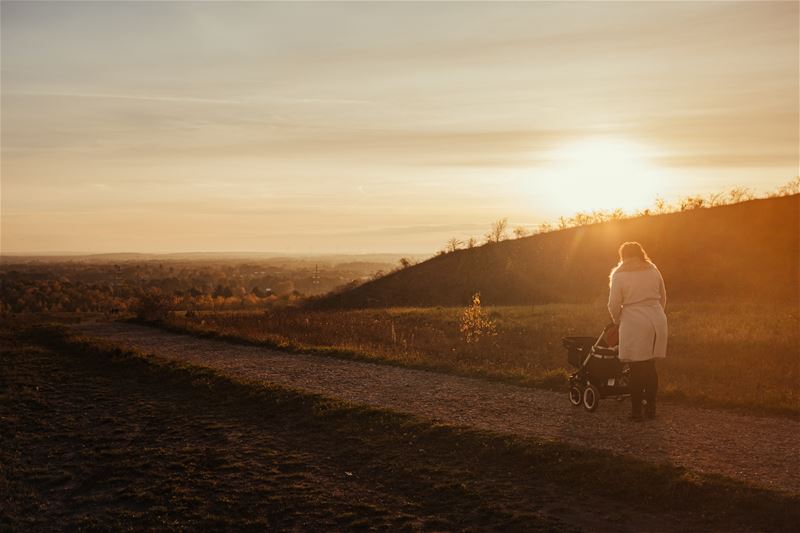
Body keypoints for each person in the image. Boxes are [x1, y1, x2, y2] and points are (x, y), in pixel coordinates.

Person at [607, 242, 667, 420]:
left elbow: (613, 304)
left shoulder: (619, 275)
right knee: (650, 366)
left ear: (623, 255)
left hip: (634, 321)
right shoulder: (653, 269)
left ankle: (636, 412)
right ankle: (651, 408)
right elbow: (663, 296)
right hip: (657, 319)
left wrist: (618, 320)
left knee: (636, 368)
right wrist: (657, 313)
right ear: (641, 253)